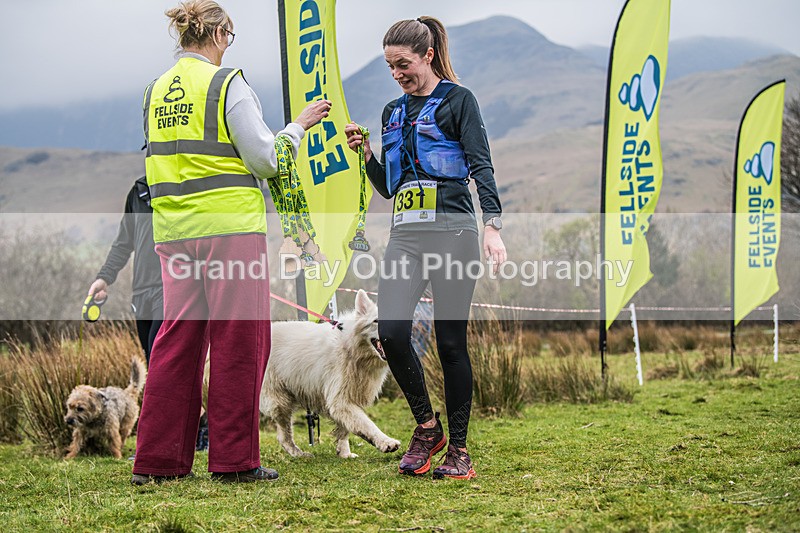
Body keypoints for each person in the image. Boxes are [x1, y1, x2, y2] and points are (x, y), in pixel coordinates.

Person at [131, 0, 330, 485]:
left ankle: (158, 463)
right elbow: (264, 159)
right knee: (240, 342)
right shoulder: (227, 83)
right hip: (230, 232)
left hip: (174, 233)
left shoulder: (153, 92)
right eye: (230, 37)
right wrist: (298, 127)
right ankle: (235, 461)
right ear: (220, 34)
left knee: (176, 343)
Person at [345, 16, 506, 480]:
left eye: (403, 63)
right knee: (391, 332)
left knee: (451, 345)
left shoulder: (459, 101)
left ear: (428, 55)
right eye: (390, 67)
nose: (397, 74)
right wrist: (369, 157)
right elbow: (390, 188)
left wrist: (491, 226)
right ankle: (426, 428)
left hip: (454, 234)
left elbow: (481, 165)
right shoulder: (391, 112)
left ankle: (459, 450)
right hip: (405, 238)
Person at [88, 176, 162, 364]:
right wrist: (103, 278)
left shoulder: (183, 187)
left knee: (159, 359)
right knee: (150, 360)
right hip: (142, 291)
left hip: (170, 289)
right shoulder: (138, 192)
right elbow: (123, 243)